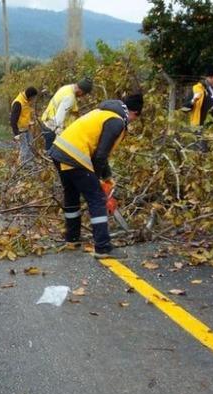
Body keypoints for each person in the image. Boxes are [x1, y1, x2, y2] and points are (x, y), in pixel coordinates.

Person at [47, 94, 144, 259]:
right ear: (134, 113)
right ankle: (103, 247)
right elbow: (100, 155)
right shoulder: (117, 121)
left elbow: (99, 151)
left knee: (71, 195)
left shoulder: (103, 112)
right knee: (97, 199)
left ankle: (72, 239)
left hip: (59, 151)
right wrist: (97, 179)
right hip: (74, 155)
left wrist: (106, 176)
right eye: (135, 118)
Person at [40, 78, 93, 152]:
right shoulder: (69, 98)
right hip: (52, 128)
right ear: (81, 91)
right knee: (54, 155)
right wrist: (62, 136)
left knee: (52, 153)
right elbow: (59, 119)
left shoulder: (66, 88)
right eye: (84, 94)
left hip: (48, 123)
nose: (82, 96)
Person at [10, 86, 38, 165]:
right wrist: (16, 134)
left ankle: (30, 164)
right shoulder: (18, 103)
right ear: (30, 96)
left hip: (26, 129)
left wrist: (29, 122)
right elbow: (13, 120)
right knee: (24, 148)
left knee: (31, 146)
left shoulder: (26, 101)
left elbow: (24, 115)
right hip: (20, 131)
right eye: (33, 97)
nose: (34, 99)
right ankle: (23, 166)